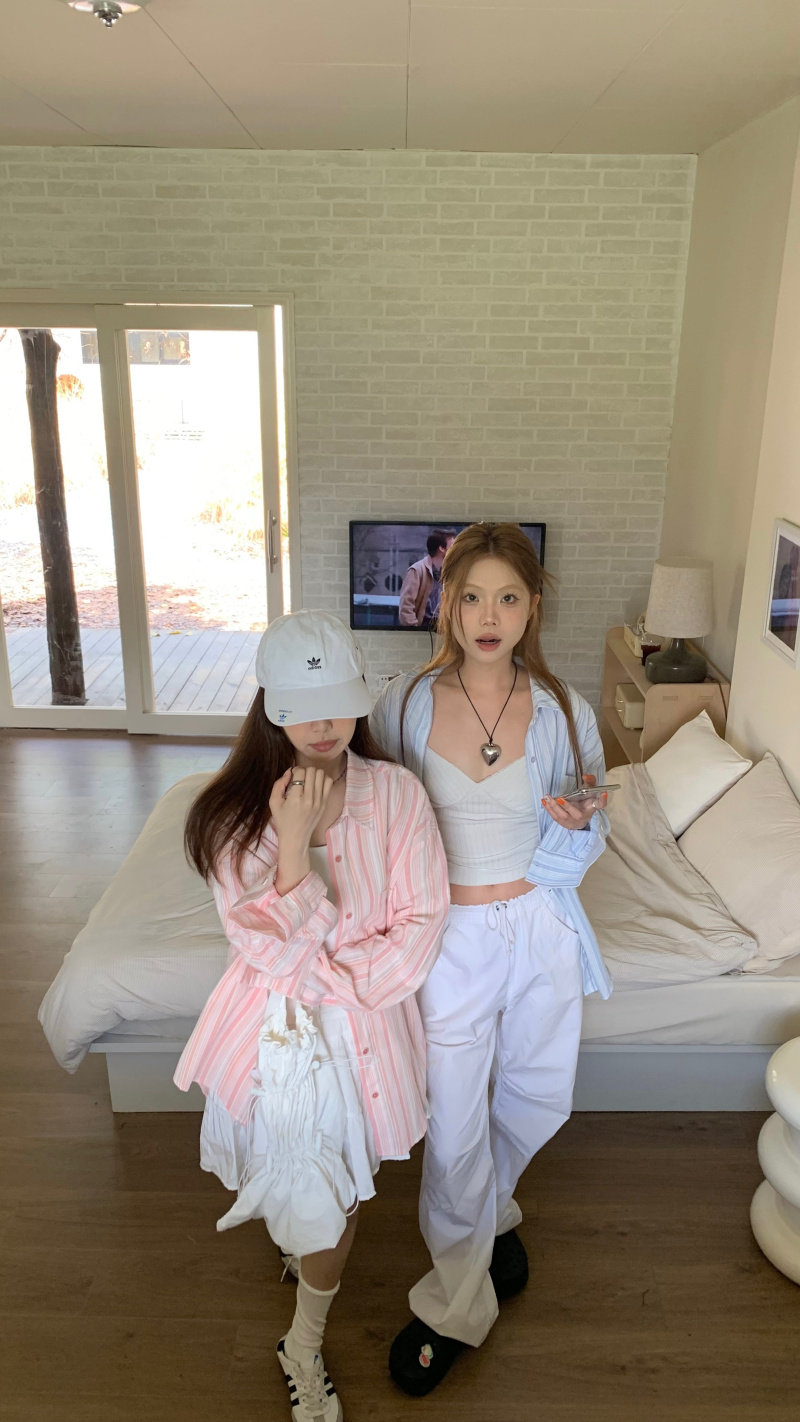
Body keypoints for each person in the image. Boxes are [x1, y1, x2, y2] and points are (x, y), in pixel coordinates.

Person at [174, 610, 449, 1422]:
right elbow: (261, 950)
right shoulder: (231, 817)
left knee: (333, 1204)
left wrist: (329, 978)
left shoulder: (397, 795)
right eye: (304, 707)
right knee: (299, 1186)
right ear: (272, 707)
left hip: (360, 1033)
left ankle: (302, 1343)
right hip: (274, 1039)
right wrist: (294, 846)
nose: (326, 725)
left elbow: (420, 927)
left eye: (339, 704)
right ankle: (300, 1266)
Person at [371, 522, 613, 1396]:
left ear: (532, 608)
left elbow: (588, 829)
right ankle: (454, 1302)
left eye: (508, 598)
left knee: (539, 1093)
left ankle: (488, 1212)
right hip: (451, 938)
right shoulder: (402, 704)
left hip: (541, 925)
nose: (488, 616)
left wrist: (578, 826)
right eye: (471, 596)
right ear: (445, 603)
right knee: (456, 1122)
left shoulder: (564, 709)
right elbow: (379, 822)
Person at [398, 529, 454, 628]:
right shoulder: (417, 570)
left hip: (443, 628)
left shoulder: (449, 572)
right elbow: (406, 606)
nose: (455, 550)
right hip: (423, 627)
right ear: (442, 548)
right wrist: (414, 631)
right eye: (452, 546)